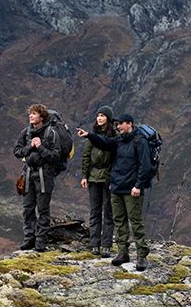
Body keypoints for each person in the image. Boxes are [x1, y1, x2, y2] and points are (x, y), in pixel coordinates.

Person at [87, 111, 157, 271]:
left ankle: (141, 255)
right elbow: (104, 143)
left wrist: (138, 185)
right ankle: (122, 252)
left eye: (120, 124)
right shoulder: (118, 141)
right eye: (116, 124)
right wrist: (89, 136)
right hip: (117, 187)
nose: (117, 127)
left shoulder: (140, 142)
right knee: (119, 221)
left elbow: (144, 166)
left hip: (132, 189)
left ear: (129, 124)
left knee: (135, 222)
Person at [13, 103, 68, 251]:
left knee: (43, 209)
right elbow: (17, 152)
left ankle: (40, 241)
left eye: (34, 114)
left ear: (42, 117)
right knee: (27, 208)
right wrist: (30, 146)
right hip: (29, 174)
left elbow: (55, 156)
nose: (31, 116)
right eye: (30, 113)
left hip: (45, 175)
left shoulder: (51, 133)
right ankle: (29, 238)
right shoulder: (26, 133)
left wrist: (40, 147)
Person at [76, 106, 117, 258]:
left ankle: (106, 245)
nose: (99, 118)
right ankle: (95, 244)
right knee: (95, 211)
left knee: (108, 211)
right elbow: (86, 156)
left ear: (108, 118)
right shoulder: (91, 136)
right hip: (93, 177)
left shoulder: (114, 135)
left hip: (108, 177)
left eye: (102, 115)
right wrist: (84, 176)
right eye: (98, 115)